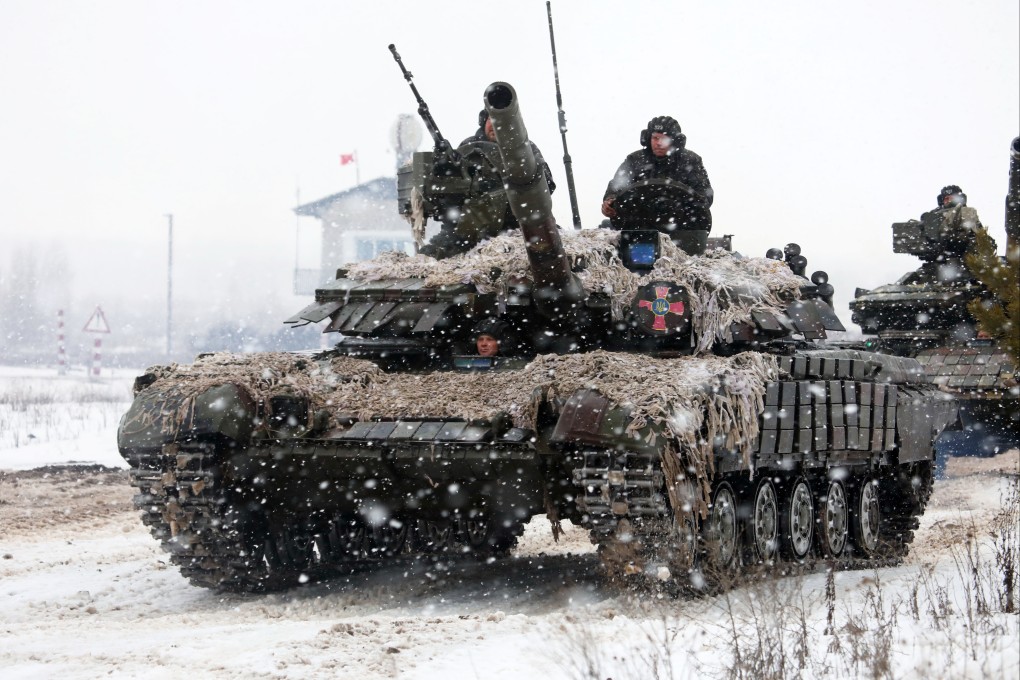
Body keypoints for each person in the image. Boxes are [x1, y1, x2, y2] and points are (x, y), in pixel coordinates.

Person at [600, 116, 713, 232]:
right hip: (639, 227)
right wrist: (610, 201)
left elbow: (704, 194)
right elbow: (617, 185)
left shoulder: (690, 161)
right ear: (648, 138)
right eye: (655, 138)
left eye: (664, 139)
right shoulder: (635, 160)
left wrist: (682, 202)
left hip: (681, 228)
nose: (658, 143)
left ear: (675, 140)